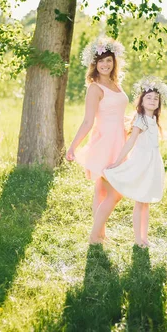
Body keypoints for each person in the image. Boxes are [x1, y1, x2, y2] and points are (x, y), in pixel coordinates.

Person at [66, 36, 129, 244]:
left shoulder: (115, 84)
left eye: (108, 60)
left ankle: (101, 235)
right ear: (95, 64)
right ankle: (95, 236)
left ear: (114, 62)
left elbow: (116, 112)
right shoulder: (95, 88)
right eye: (101, 61)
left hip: (119, 141)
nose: (105, 64)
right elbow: (87, 121)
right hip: (104, 143)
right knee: (116, 193)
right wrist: (73, 147)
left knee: (102, 191)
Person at [103, 76, 167, 247]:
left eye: (156, 98)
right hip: (142, 163)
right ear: (141, 100)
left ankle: (144, 238)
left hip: (152, 163)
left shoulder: (154, 119)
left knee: (145, 202)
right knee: (140, 201)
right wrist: (118, 161)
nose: (153, 101)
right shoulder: (141, 119)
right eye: (149, 97)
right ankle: (138, 239)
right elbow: (130, 142)